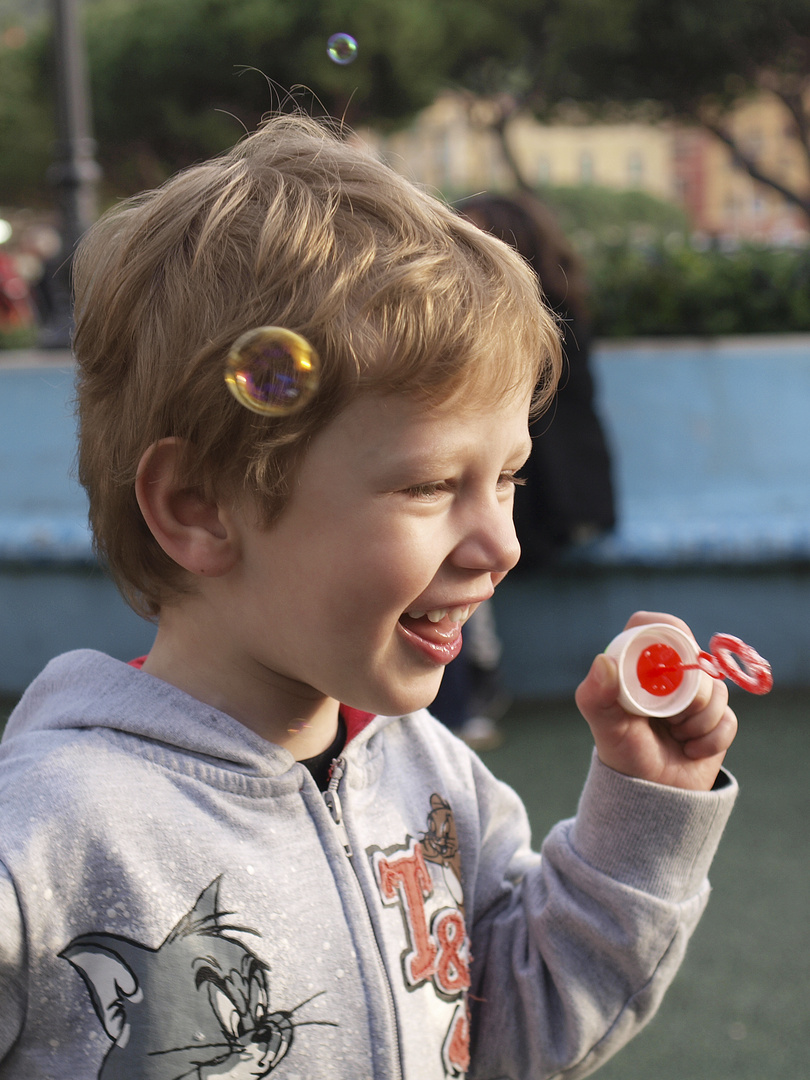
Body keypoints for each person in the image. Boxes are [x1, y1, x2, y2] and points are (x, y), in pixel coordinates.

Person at [0, 114, 738, 1080]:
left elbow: (516, 1030)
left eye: (508, 478)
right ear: (199, 507)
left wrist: (646, 814)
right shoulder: (49, 832)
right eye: (432, 486)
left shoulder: (435, 785)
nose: (502, 544)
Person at [432, 192, 616, 749]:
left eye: (478, 242)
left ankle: (473, 682)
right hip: (535, 497)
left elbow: (545, 442)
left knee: (453, 550)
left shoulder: (540, 328)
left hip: (551, 503)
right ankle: (471, 680)